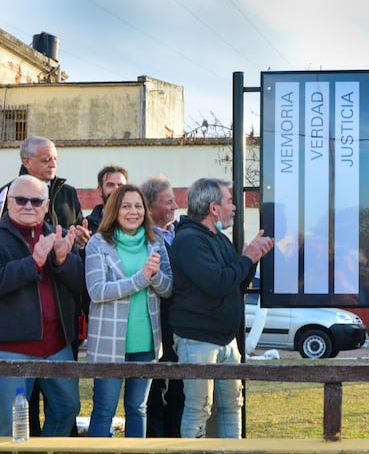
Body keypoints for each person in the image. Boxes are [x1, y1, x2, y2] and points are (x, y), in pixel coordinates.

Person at [0, 175, 86, 437]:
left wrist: (60, 260)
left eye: (36, 201)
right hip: (11, 348)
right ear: (9, 202)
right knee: (8, 425)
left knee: (68, 408)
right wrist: (33, 262)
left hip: (58, 346)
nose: (28, 206)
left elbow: (81, 284)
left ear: (46, 206)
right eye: (20, 200)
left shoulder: (59, 235)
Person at [169, 178, 273, 439]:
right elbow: (216, 283)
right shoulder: (189, 240)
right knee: (198, 409)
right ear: (213, 208)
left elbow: (235, 283)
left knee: (232, 406)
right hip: (198, 342)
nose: (235, 207)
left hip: (227, 342)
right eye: (230, 201)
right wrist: (248, 256)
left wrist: (253, 258)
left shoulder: (219, 240)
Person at [85, 184, 172, 437]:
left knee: (138, 408)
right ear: (114, 210)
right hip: (108, 345)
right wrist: (141, 278)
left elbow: (168, 288)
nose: (133, 212)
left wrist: (153, 277)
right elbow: (97, 291)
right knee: (104, 410)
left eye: (138, 206)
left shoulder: (155, 243)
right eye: (126, 206)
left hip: (146, 343)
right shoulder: (98, 244)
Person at [141, 175, 183, 437]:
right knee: (157, 391)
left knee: (180, 389)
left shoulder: (182, 234)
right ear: (150, 206)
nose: (175, 207)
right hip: (154, 325)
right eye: (168, 202)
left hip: (182, 324)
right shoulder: (142, 239)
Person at [84, 165, 128, 231]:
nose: (116, 189)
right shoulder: (88, 226)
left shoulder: (139, 223)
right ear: (100, 190)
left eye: (120, 185)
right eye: (110, 185)